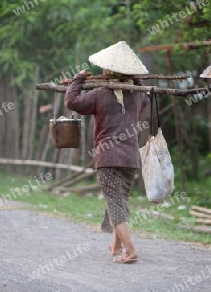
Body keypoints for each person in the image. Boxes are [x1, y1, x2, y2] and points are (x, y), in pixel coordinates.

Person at [65, 41, 149, 264]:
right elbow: (145, 98)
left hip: (108, 158)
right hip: (130, 159)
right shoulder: (138, 95)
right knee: (119, 201)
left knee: (114, 204)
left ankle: (130, 251)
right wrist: (137, 80)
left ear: (107, 71)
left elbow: (71, 101)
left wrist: (77, 79)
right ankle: (117, 244)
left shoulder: (99, 94)